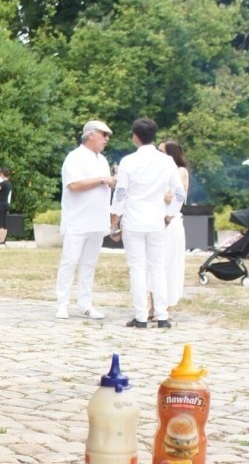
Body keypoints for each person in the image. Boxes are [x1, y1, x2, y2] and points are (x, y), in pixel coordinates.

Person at [110, 117, 184, 329]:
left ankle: (141, 316)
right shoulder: (167, 161)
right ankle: (162, 316)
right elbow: (180, 193)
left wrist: (114, 224)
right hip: (156, 221)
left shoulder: (128, 161)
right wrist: (169, 216)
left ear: (135, 137)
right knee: (158, 268)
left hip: (134, 220)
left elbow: (120, 195)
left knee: (137, 269)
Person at [55, 119, 115, 320]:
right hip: (78, 220)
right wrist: (102, 180)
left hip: (97, 220)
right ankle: (62, 304)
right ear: (91, 135)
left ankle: (85, 303)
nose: (106, 139)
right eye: (103, 135)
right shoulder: (75, 157)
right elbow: (74, 185)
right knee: (69, 261)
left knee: (89, 264)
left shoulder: (102, 160)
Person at [156, 139, 190, 320]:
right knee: (154, 264)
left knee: (168, 264)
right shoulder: (158, 171)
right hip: (156, 220)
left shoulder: (180, 171)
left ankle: (167, 306)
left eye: (161, 151)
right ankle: (153, 305)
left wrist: (153, 190)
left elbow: (176, 196)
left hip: (170, 221)